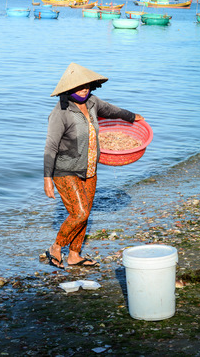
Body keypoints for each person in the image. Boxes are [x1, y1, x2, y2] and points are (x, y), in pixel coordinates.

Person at [44, 62, 144, 269]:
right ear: (69, 88)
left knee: (85, 213)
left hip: (89, 169)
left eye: (87, 85)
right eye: (80, 86)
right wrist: (47, 179)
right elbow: (51, 146)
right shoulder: (60, 112)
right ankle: (56, 247)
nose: (84, 89)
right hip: (65, 170)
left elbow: (112, 110)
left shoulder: (92, 102)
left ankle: (74, 255)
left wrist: (132, 116)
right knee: (79, 213)